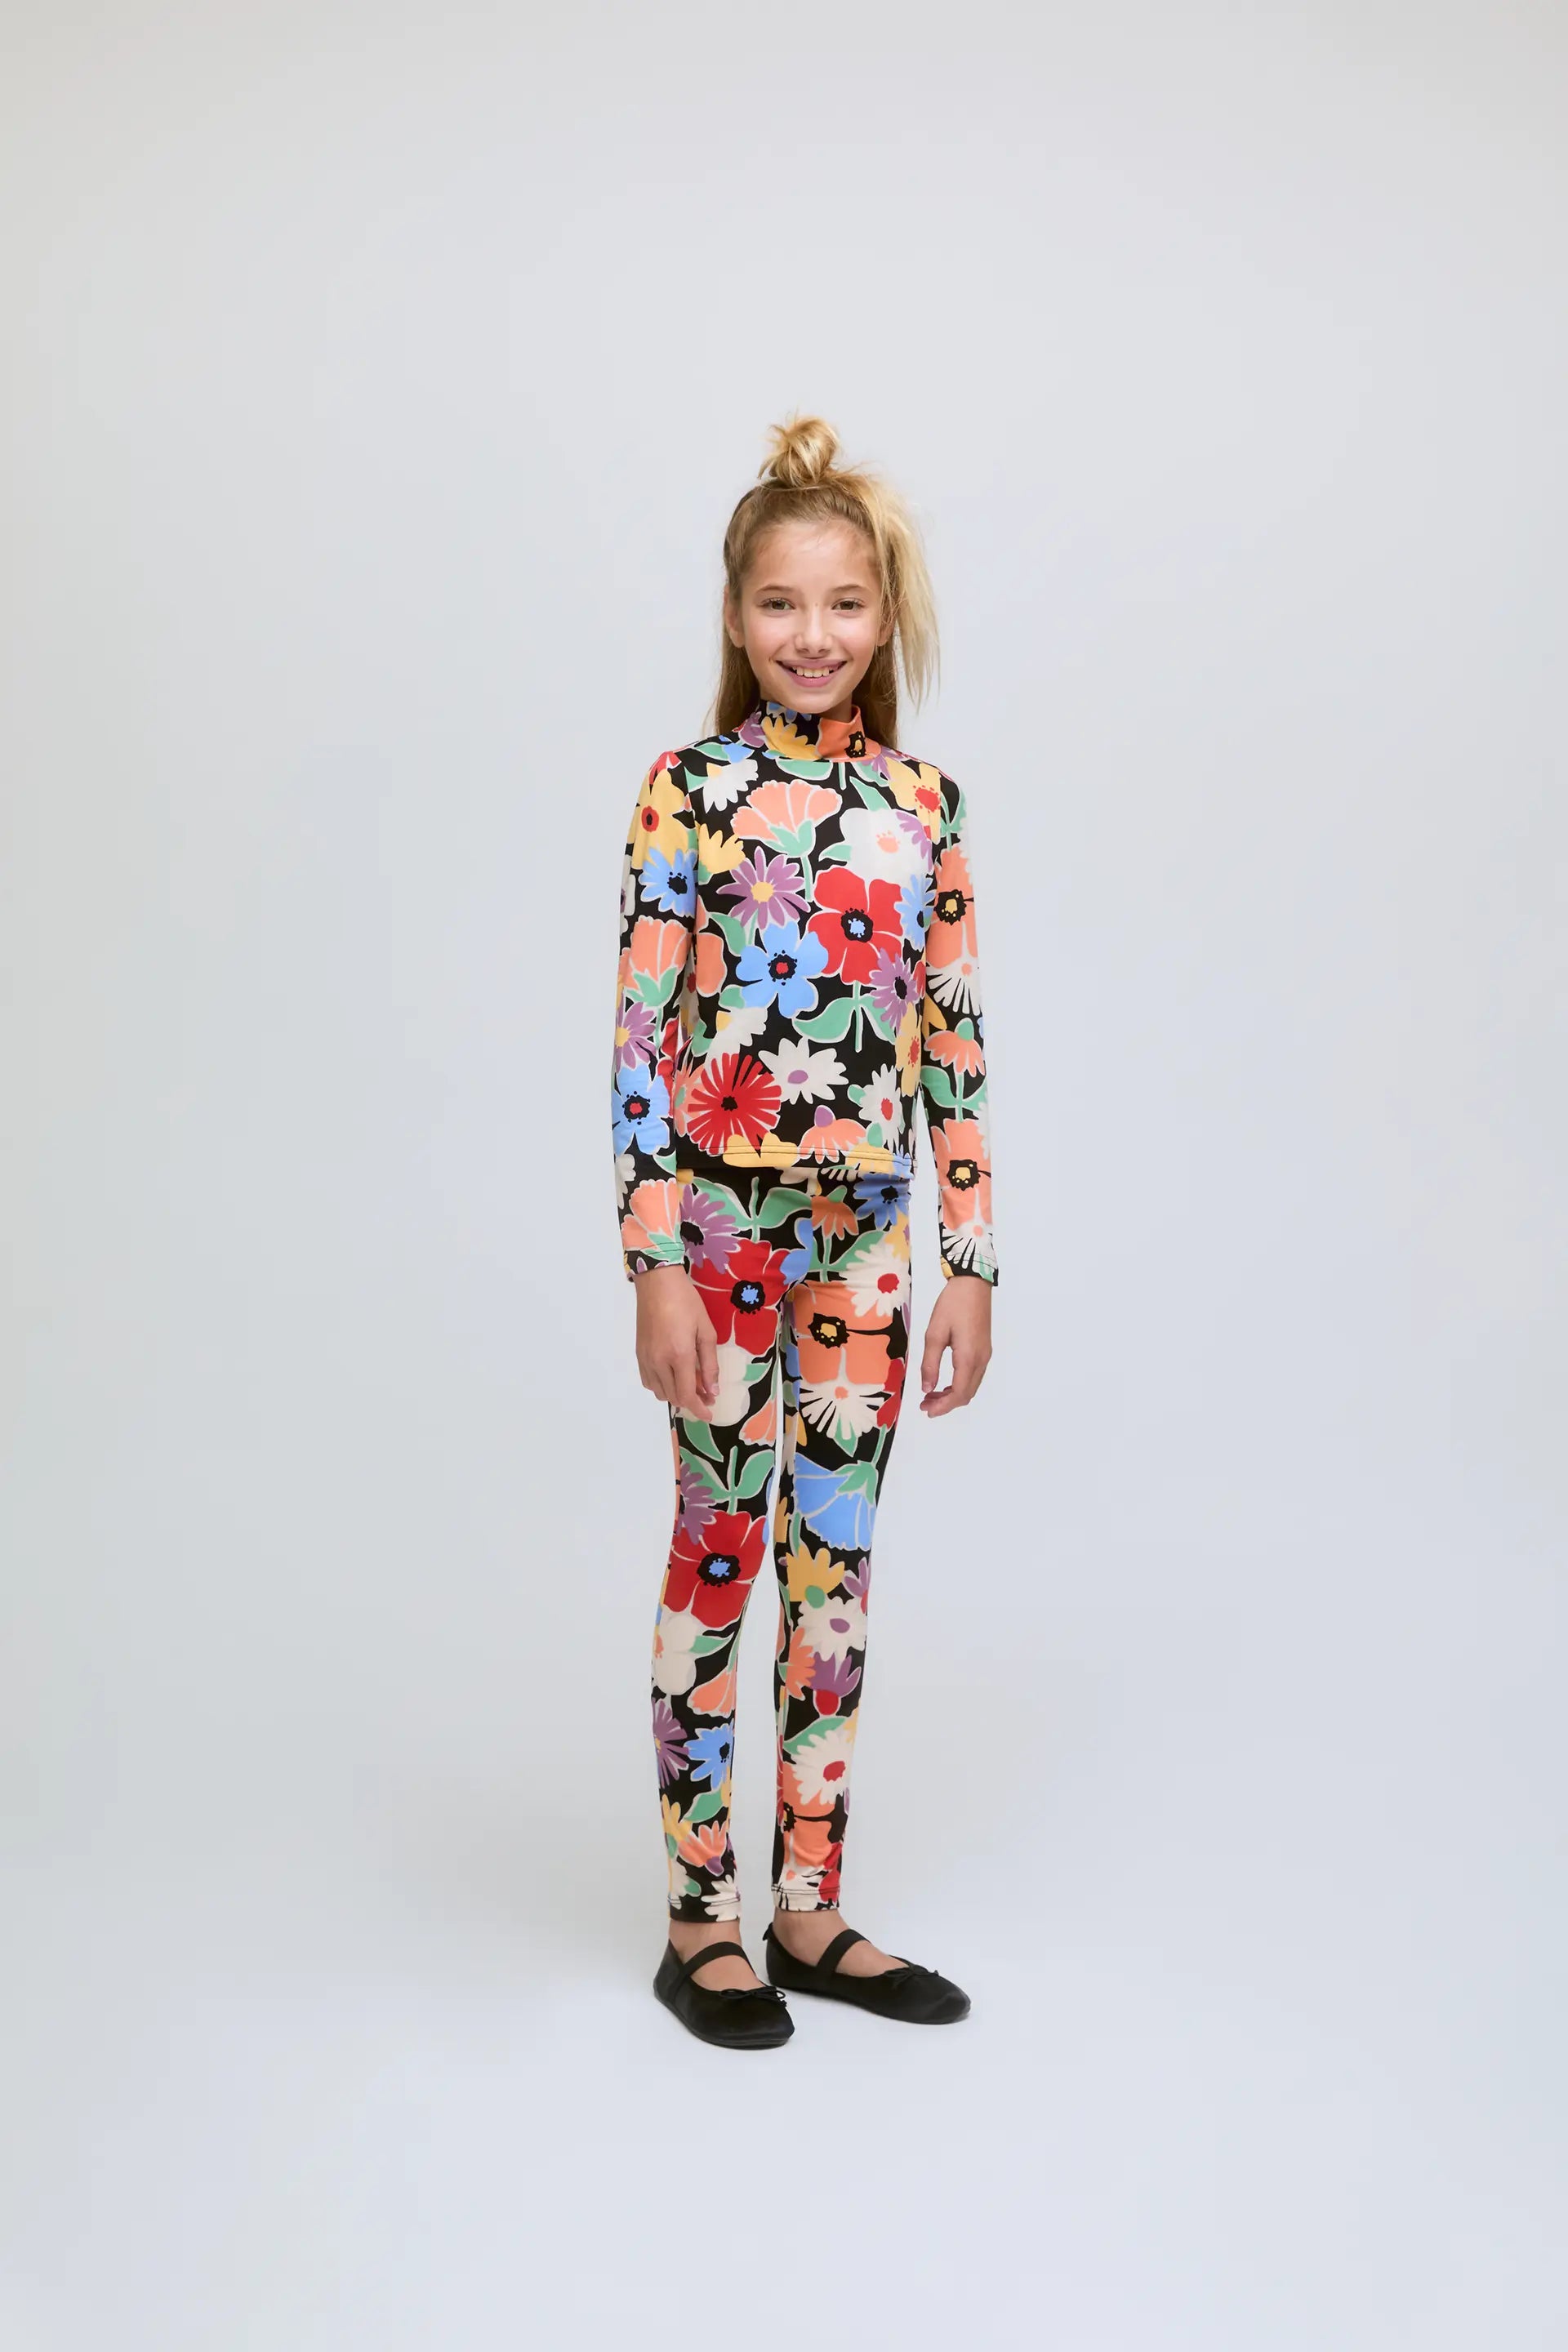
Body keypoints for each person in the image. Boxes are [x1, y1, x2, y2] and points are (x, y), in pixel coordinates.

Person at [609, 413, 998, 2049]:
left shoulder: (923, 804)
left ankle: (811, 1907)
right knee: (721, 1555)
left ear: (883, 616)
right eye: (781, 603)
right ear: (734, 615)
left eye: (843, 604)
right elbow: (644, 1041)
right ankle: (701, 1919)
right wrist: (653, 1257)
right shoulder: (689, 793)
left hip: (869, 1246)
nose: (813, 634)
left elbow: (950, 1039)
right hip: (721, 1236)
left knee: (833, 1577)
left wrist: (971, 1260)